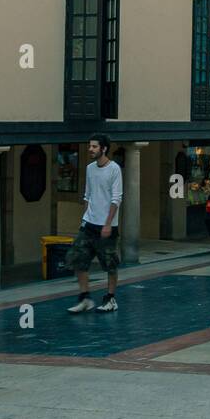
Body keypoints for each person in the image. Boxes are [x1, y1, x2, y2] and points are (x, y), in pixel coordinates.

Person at [67, 134, 123, 313]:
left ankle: (111, 298)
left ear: (103, 149)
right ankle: (85, 298)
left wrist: (107, 224)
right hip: (89, 224)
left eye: (94, 147)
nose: (90, 149)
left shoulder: (114, 169)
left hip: (107, 227)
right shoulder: (90, 168)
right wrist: (85, 218)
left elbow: (116, 199)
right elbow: (87, 195)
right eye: (90, 146)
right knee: (77, 259)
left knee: (110, 264)